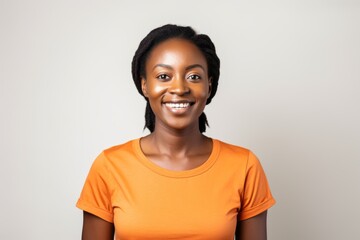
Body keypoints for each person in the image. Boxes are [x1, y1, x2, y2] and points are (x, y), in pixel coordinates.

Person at [76, 24, 275, 240]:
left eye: (194, 77)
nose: (180, 89)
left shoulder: (244, 166)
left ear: (209, 86)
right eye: (163, 76)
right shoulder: (109, 166)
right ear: (144, 85)